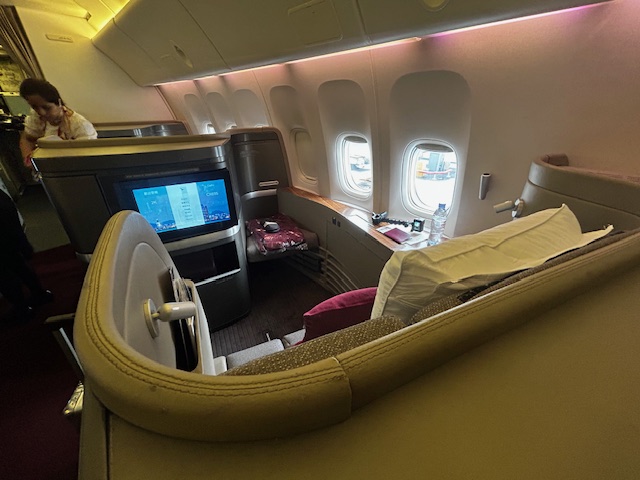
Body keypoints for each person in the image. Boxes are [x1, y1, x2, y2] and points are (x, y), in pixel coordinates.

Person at [18, 78, 97, 170]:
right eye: (35, 107)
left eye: (47, 108)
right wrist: (30, 161)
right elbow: (27, 139)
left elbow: (86, 159)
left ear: (59, 103)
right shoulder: (36, 117)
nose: (41, 112)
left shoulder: (80, 125)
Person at [0, 188, 53, 323]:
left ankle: (22, 309)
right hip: (6, 219)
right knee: (17, 262)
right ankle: (39, 295)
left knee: (4, 275)